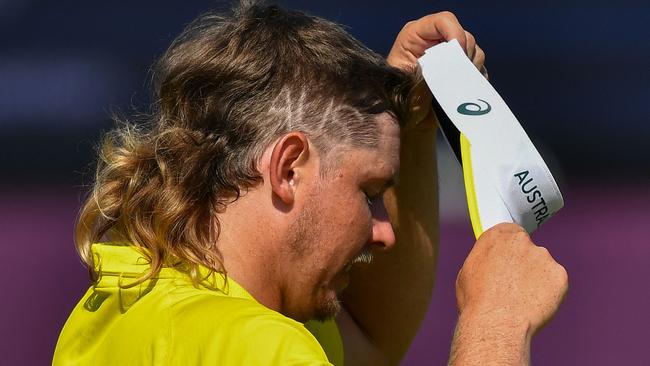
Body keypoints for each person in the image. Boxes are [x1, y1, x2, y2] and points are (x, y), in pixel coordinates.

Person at [53, 2, 568, 365]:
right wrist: (496, 323)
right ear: (289, 168)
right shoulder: (258, 347)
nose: (383, 233)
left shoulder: (114, 305)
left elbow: (372, 340)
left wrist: (409, 128)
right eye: (368, 193)